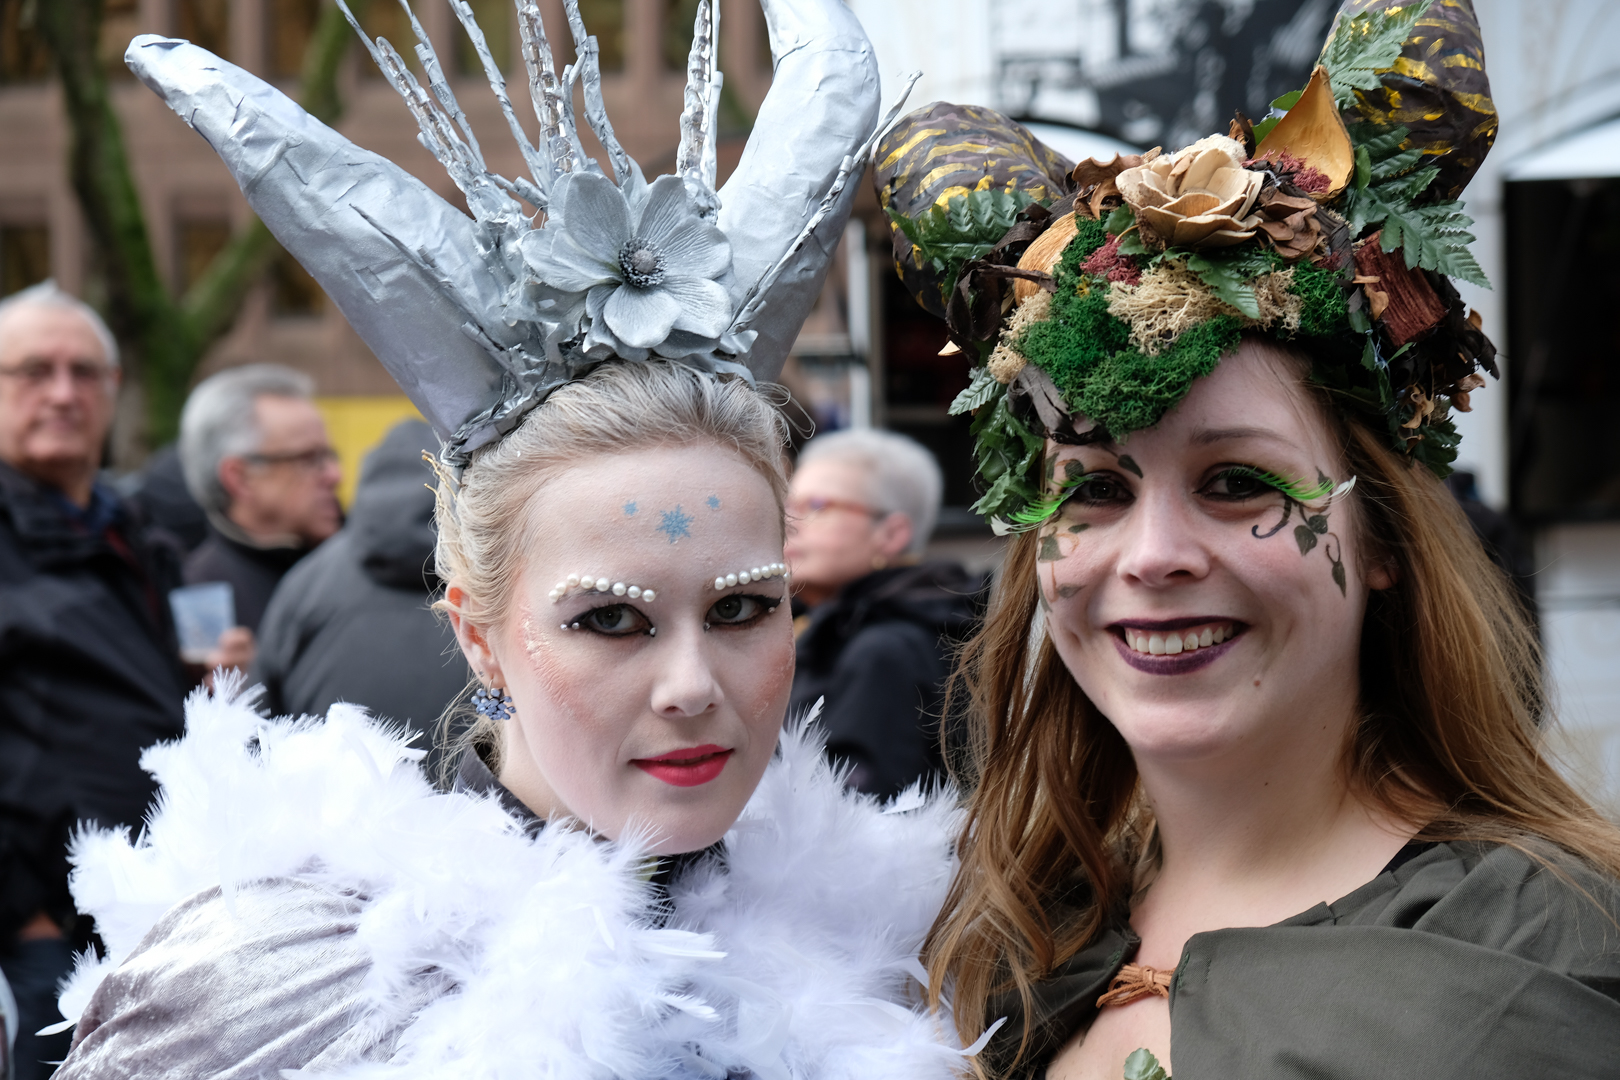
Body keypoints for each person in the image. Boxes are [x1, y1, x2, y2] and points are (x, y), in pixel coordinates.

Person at [51, 3, 972, 1076]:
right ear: (480, 638)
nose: (692, 685)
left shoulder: (903, 943)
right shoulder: (275, 996)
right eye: (611, 619)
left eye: (740, 607)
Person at [875, 2, 1620, 1077]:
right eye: (1091, 491)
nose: (1151, 555)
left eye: (1235, 482)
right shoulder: (992, 938)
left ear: (1381, 538)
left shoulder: (1544, 955)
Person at [0, 282, 188, 1080]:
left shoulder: (135, 530)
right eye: (33, 371)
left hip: (157, 919)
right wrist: (25, 919)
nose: (63, 393)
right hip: (45, 947)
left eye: (85, 373)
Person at [251, 418, 469, 776]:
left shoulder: (306, 584)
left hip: (330, 822)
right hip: (492, 822)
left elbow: (256, 733)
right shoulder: (508, 581)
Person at [785, 428, 981, 796]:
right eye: (787, 506)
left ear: (891, 534)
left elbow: (861, 812)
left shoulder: (886, 650)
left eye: (817, 507)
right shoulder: (824, 624)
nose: (789, 525)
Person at [178, 363, 342, 636]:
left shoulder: (358, 568)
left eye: (329, 456)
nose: (335, 475)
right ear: (239, 478)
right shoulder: (200, 597)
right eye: (309, 459)